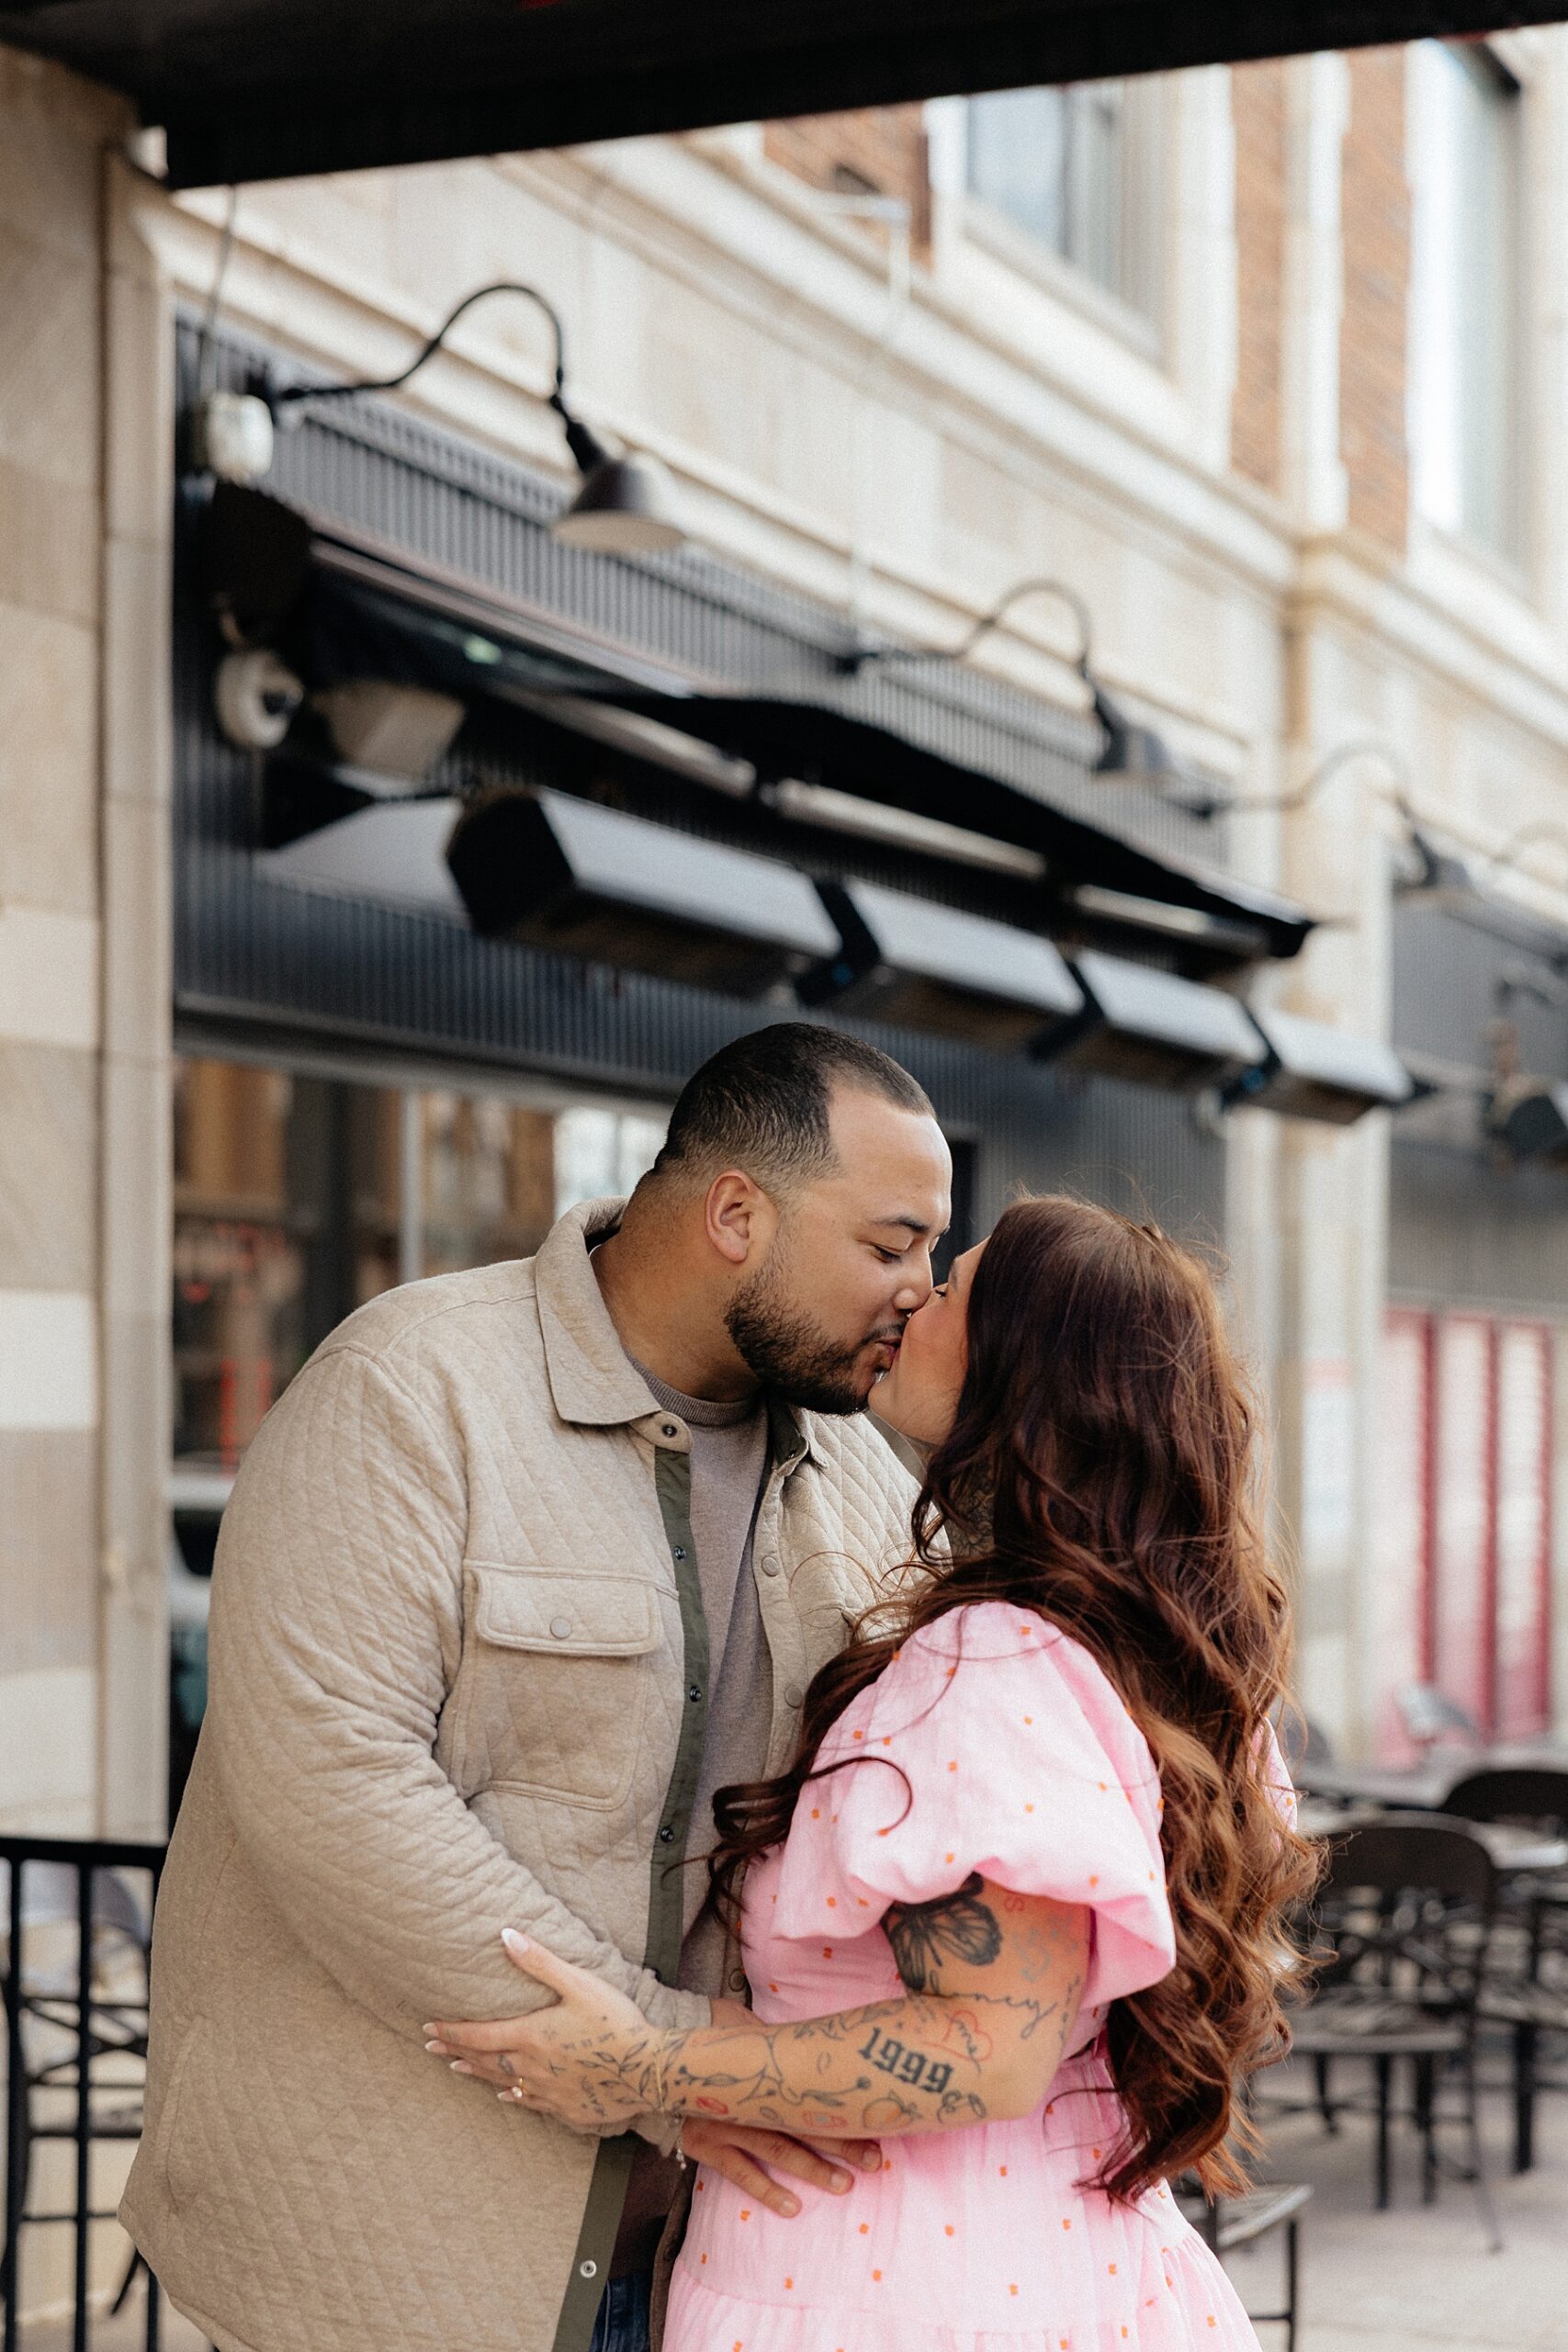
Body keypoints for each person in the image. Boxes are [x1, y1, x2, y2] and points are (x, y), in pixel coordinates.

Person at [121, 1023, 953, 2352]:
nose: (919, 1289)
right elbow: (336, 1789)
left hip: (717, 2256)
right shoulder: (409, 1388)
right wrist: (679, 2067)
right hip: (393, 2255)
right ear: (735, 1213)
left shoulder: (861, 1478)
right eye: (888, 1243)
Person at [428, 1195, 1320, 2352]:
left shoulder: (994, 1654)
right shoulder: (1140, 1660)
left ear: (1024, 1371)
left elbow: (987, 2047)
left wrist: (640, 2064)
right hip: (1042, 2269)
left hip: (891, 2292)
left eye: (955, 1287)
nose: (916, 1293)